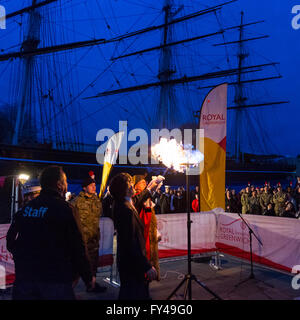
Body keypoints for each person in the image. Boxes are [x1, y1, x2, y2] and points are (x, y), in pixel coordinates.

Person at [6, 166, 94, 300]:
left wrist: (21, 257)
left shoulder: (27, 208)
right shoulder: (65, 209)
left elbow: (10, 240)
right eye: (65, 182)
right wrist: (87, 276)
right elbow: (78, 246)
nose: (67, 185)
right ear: (59, 184)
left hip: (25, 280)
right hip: (55, 281)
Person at [110, 173, 158, 300]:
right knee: (134, 294)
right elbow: (131, 243)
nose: (133, 186)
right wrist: (146, 266)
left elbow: (137, 199)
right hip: (132, 264)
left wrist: (150, 188)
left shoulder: (122, 203)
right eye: (130, 184)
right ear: (125, 188)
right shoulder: (126, 210)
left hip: (128, 262)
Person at [72, 174, 106, 293]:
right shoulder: (76, 201)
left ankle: (91, 285)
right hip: (82, 240)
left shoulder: (96, 200)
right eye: (91, 185)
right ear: (84, 187)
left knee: (93, 265)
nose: (93, 187)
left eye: (94, 185)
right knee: (77, 266)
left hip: (94, 239)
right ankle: (68, 289)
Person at [132, 174, 161, 281]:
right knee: (143, 256)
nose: (144, 182)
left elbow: (150, 216)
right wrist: (150, 189)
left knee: (149, 256)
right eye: (141, 181)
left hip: (148, 231)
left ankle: (146, 280)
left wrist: (155, 230)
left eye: (145, 181)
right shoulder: (135, 198)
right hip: (141, 233)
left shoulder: (145, 197)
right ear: (135, 186)